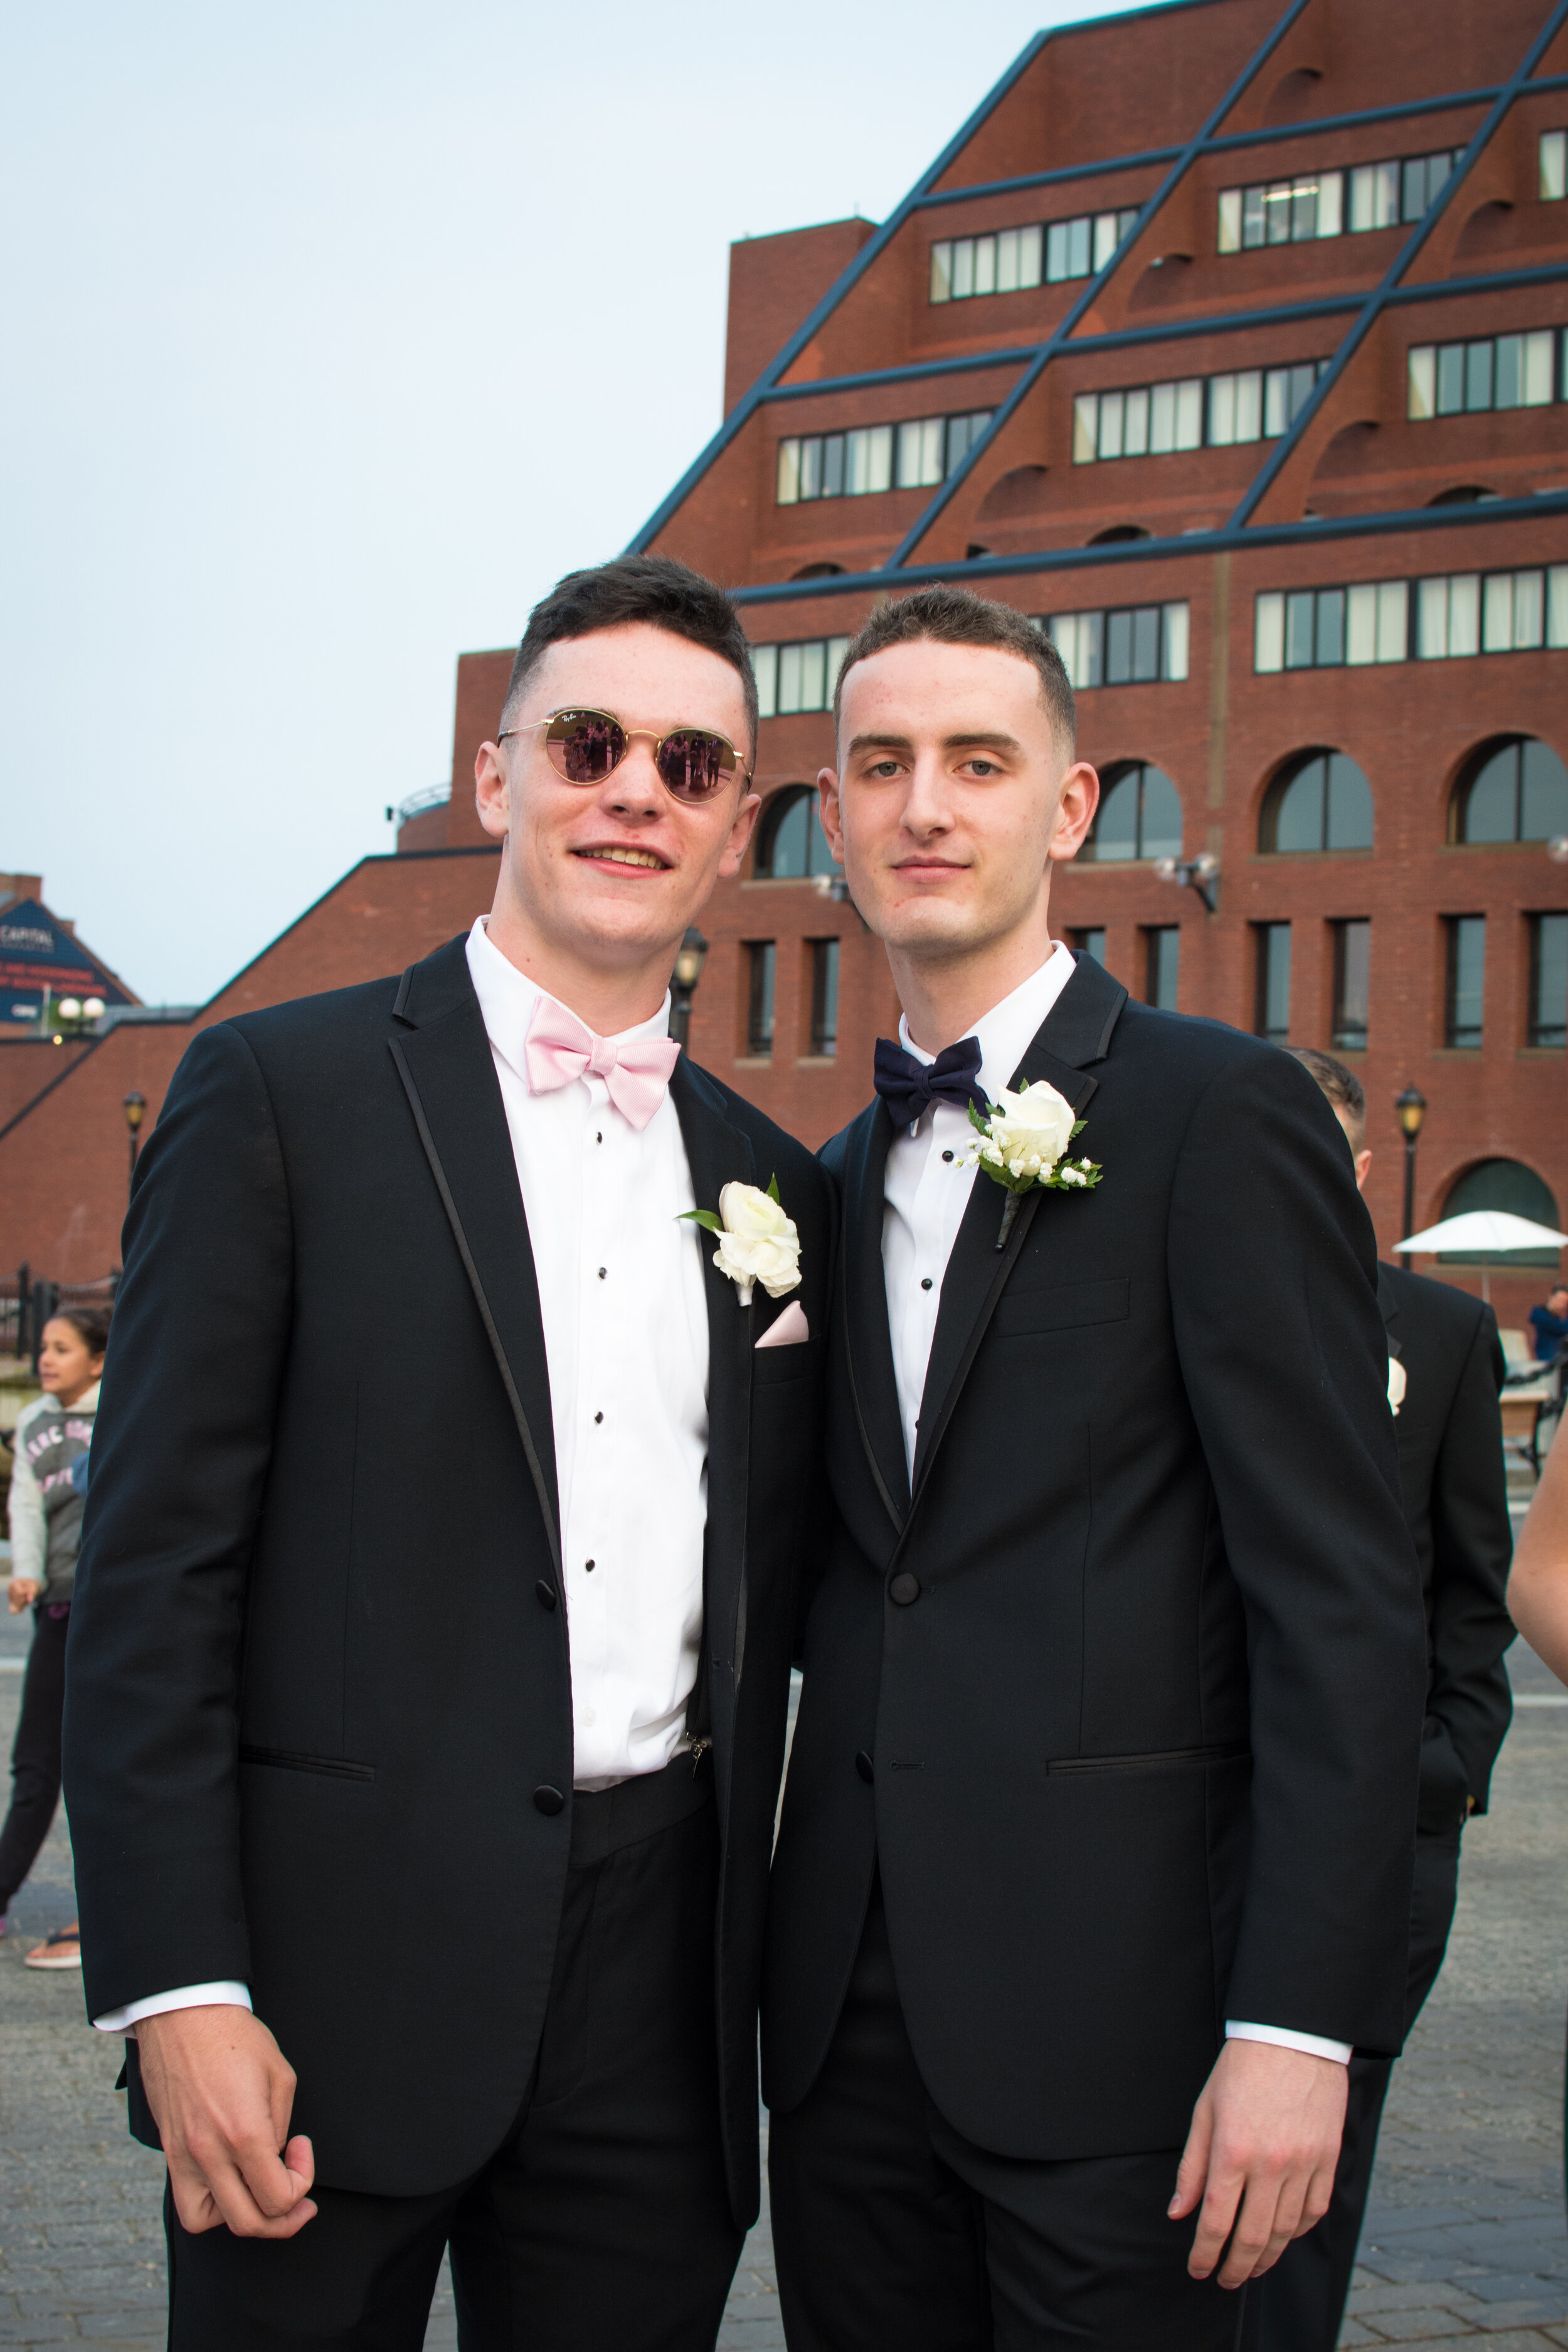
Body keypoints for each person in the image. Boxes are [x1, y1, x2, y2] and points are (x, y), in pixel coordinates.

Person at [62, 554, 834, 2352]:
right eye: (587, 742)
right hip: (324, 1987)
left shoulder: (769, 1178)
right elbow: (153, 1578)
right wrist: (181, 1984)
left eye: (692, 764)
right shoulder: (275, 1092)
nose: (635, 790)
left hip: (660, 2002)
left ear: (734, 829)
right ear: (497, 775)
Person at [761, 585, 1428, 2351]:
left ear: (1068, 806)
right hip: (842, 2047)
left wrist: (1298, 2025)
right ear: (828, 814)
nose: (924, 805)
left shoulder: (1221, 1112)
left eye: (977, 762)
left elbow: (1339, 1605)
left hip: (1137, 2040)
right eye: (881, 764)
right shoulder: (826, 1178)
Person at [1254, 1049, 1513, 2352]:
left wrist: (1447, 1767)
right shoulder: (1173, 1305)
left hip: (1386, 1825)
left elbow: (1475, 1583)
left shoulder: (1446, 1334)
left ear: (1357, 1170)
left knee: (1320, 2152)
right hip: (1191, 1808)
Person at [1, 1305, 109, 1969]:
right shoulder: (35, 1422)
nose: (46, 1358)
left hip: (105, 1610)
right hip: (58, 1607)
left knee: (93, 1766)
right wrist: (27, 1571)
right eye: (43, 1346)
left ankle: (95, 1917)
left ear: (98, 1362)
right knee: (37, 1763)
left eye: (62, 1348)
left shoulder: (118, 1412)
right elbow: (25, 1505)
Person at [1530, 1285, 1568, 1364]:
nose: (1562, 1305)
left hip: (1554, 1360)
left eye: (1565, 1302)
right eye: (1560, 1300)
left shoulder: (1556, 1319)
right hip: (1545, 1361)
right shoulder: (1540, 1315)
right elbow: (1562, 1329)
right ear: (1551, 1297)